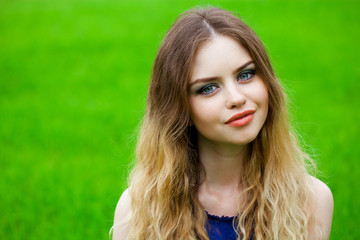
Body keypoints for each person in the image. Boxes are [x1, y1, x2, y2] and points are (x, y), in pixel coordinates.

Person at [112, 7, 333, 240]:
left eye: (245, 75)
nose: (236, 98)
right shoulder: (140, 209)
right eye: (208, 88)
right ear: (178, 108)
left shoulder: (311, 201)